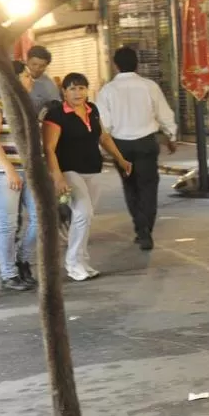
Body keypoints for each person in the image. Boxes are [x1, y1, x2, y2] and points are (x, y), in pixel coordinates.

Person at [42, 73, 133, 281]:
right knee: (83, 212)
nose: (78, 93)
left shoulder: (92, 109)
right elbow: (49, 148)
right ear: (64, 92)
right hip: (69, 170)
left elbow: (103, 137)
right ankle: (73, 263)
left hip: (93, 168)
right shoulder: (55, 115)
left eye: (82, 88)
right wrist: (57, 177)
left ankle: (82, 260)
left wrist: (120, 159)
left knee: (85, 217)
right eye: (72, 88)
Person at [96, 47, 178, 251]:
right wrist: (171, 135)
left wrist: (104, 147)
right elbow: (164, 113)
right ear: (137, 64)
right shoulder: (149, 86)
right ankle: (146, 229)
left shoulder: (107, 91)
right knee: (148, 187)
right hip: (146, 143)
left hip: (121, 146)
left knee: (130, 187)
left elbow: (103, 123)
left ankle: (140, 229)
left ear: (115, 65)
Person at [0, 61, 39, 291]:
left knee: (41, 218)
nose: (31, 80)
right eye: (27, 76)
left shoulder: (25, 106)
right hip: (4, 174)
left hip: (29, 172)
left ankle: (22, 260)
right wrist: (11, 171)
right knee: (7, 225)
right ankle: (8, 273)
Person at [25, 45, 61, 113]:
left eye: (42, 66)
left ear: (46, 66)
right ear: (27, 61)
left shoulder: (50, 85)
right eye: (34, 64)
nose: (37, 69)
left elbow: (56, 108)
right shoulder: (14, 76)